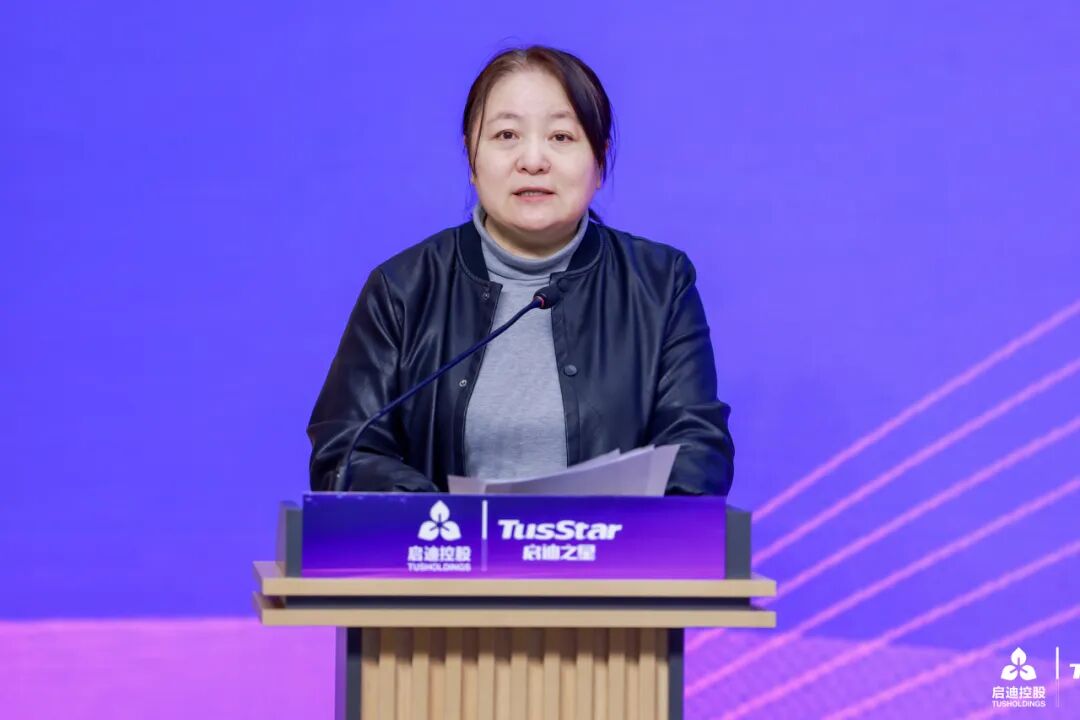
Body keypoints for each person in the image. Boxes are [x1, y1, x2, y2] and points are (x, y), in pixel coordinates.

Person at [307, 46, 734, 496]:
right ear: (471, 158)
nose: (532, 160)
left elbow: (697, 447)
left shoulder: (660, 284)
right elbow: (346, 451)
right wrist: (447, 521)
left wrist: (620, 529)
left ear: (599, 162)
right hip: (442, 542)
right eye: (506, 135)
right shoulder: (404, 289)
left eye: (561, 137)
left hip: (610, 544)